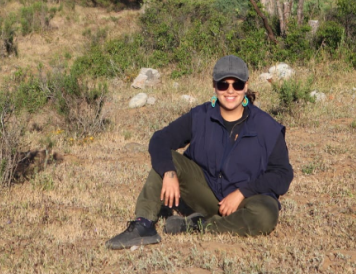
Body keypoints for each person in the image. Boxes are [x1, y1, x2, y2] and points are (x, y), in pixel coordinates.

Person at [106, 55, 294, 249]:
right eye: (223, 84)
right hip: (206, 194)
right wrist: (169, 173)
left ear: (246, 86)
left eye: (236, 84)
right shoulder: (201, 115)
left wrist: (242, 192)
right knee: (167, 159)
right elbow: (160, 139)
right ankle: (143, 225)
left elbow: (282, 174)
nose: (230, 90)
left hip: (245, 200)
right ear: (214, 86)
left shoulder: (267, 126)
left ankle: (197, 226)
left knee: (265, 215)